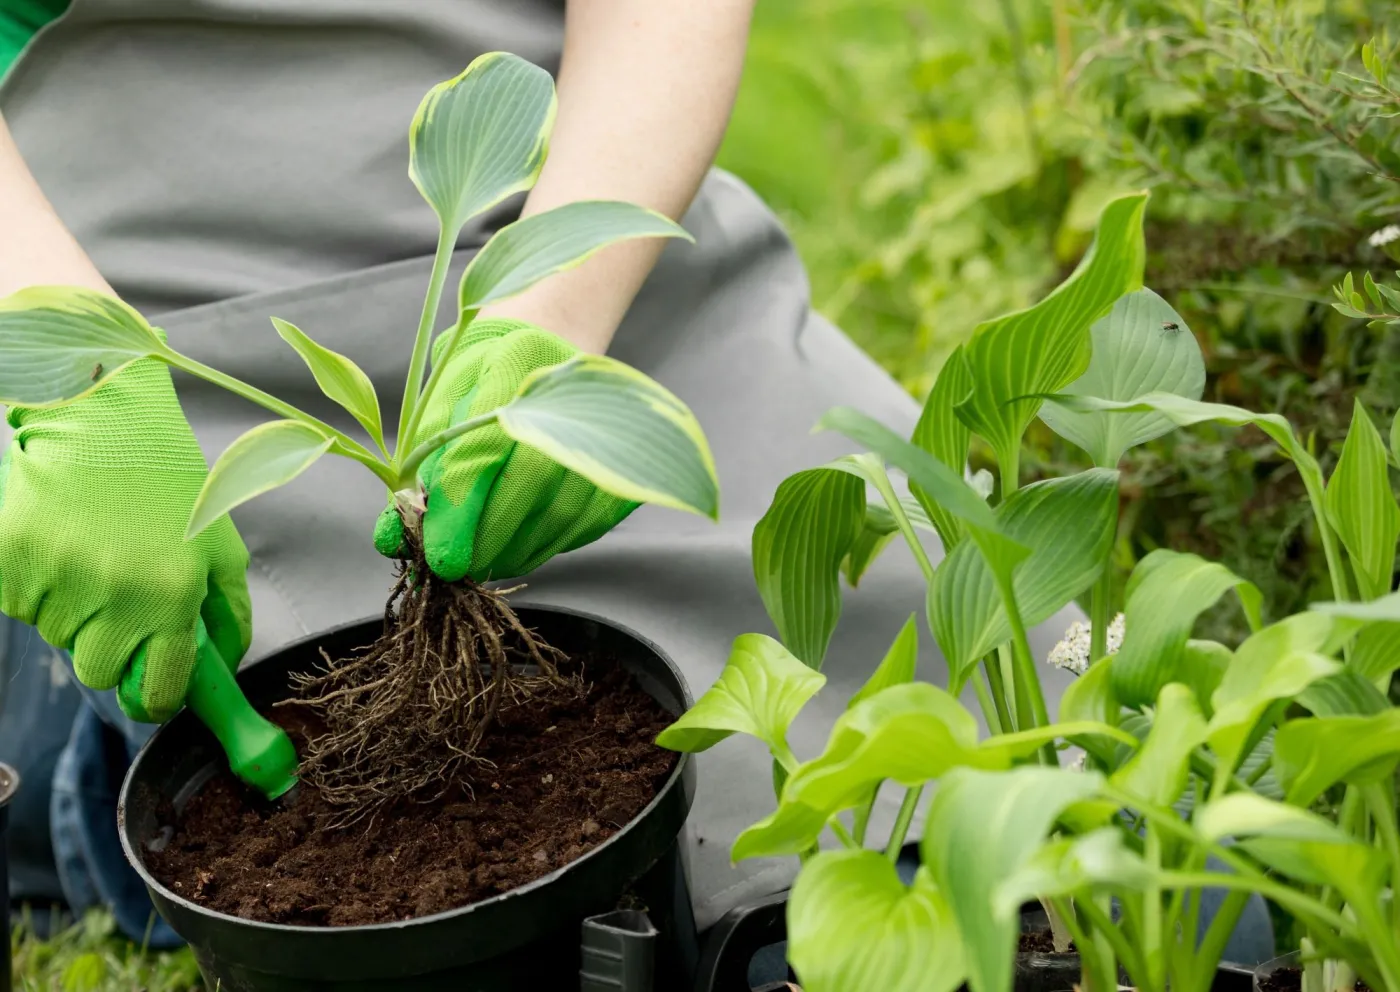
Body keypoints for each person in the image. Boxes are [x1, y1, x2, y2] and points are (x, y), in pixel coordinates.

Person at [0, 0, 1273, 969]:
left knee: (1143, 850)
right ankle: (53, 753)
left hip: (581, 226)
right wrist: (68, 372)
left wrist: (558, 316)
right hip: (145, 311)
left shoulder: (573, 278)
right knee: (386, 864)